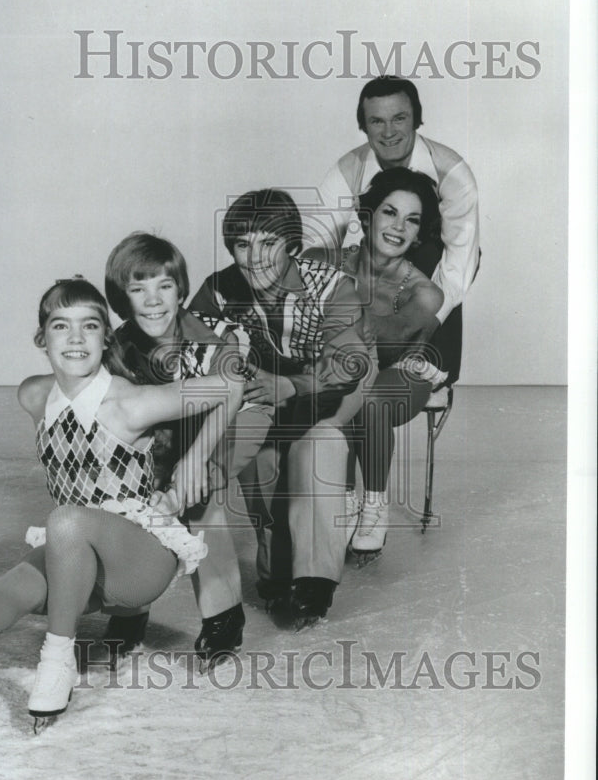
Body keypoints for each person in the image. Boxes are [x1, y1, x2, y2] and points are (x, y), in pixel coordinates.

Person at [0, 277, 244, 731]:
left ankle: (56, 663)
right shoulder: (35, 395)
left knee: (64, 520)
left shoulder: (131, 403)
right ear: (43, 339)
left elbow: (232, 384)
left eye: (90, 326)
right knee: (0, 598)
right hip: (76, 558)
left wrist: (195, 461)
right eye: (62, 326)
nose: (77, 338)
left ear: (107, 338)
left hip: (140, 560)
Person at [190, 189, 372, 629]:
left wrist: (291, 384)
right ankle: (277, 574)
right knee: (264, 462)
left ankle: (315, 583)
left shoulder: (332, 287)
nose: (253, 258)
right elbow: (195, 345)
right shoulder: (217, 289)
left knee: (319, 446)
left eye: (268, 243)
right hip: (266, 387)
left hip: (333, 385)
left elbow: (348, 362)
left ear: (292, 245)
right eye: (242, 244)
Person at [105, 233, 273, 669]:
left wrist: (194, 460)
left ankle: (224, 614)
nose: (153, 300)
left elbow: (233, 394)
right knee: (133, 495)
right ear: (122, 298)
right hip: (181, 421)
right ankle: (129, 607)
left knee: (197, 493)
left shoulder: (213, 335)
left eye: (164, 286)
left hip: (239, 415)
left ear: (181, 290)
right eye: (138, 289)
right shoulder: (120, 346)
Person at [306, 167, 448, 564]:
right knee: (344, 385)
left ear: (420, 233)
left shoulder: (425, 293)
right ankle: (343, 496)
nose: (399, 226)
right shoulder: (320, 259)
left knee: (365, 396)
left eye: (412, 219)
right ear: (366, 217)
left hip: (402, 373)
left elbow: (382, 345)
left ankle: (374, 504)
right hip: (339, 369)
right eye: (390, 212)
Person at [315, 75, 479, 383]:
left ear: (417, 119)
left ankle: (434, 371)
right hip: (371, 262)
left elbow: (460, 261)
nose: (389, 132)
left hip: (426, 259)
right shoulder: (345, 171)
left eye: (399, 118)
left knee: (433, 253)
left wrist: (429, 322)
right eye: (377, 121)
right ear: (363, 126)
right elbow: (318, 253)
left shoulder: (452, 172)